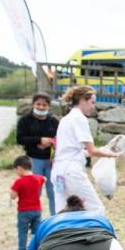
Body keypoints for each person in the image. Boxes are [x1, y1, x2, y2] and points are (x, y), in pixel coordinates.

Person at [51, 85, 118, 215]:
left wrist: (104, 150)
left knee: (62, 212)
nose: (93, 106)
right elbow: (92, 150)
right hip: (72, 172)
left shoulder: (65, 119)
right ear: (82, 100)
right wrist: (110, 154)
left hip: (58, 171)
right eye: (92, 102)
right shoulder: (80, 118)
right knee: (96, 210)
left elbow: (76, 151)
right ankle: (92, 235)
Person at [16, 93, 60, 215]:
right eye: (38, 104)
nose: (41, 107)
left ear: (49, 106)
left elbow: (61, 138)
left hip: (51, 161)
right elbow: (20, 139)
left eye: (44, 105)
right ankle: (33, 221)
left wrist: (50, 142)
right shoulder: (25, 120)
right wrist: (39, 140)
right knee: (34, 192)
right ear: (33, 104)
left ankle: (55, 219)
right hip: (33, 160)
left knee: (54, 193)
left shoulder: (54, 121)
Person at [10, 155, 45, 250]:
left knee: (23, 231)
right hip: (37, 209)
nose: (16, 172)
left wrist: (10, 191)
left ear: (20, 168)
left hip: (24, 211)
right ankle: (37, 249)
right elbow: (45, 179)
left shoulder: (19, 181)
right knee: (36, 231)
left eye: (16, 170)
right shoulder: (38, 178)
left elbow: (13, 196)